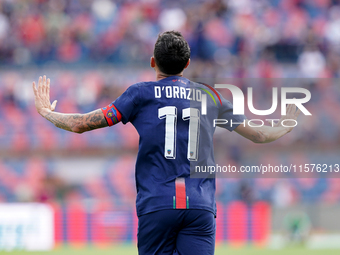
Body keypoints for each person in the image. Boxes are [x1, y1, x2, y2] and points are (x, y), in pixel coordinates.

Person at [33, 31, 300, 255]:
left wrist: (48, 112)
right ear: (187, 64)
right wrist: (285, 125)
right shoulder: (209, 95)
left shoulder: (140, 94)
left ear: (153, 62)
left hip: (157, 204)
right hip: (199, 205)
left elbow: (82, 124)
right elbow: (260, 135)